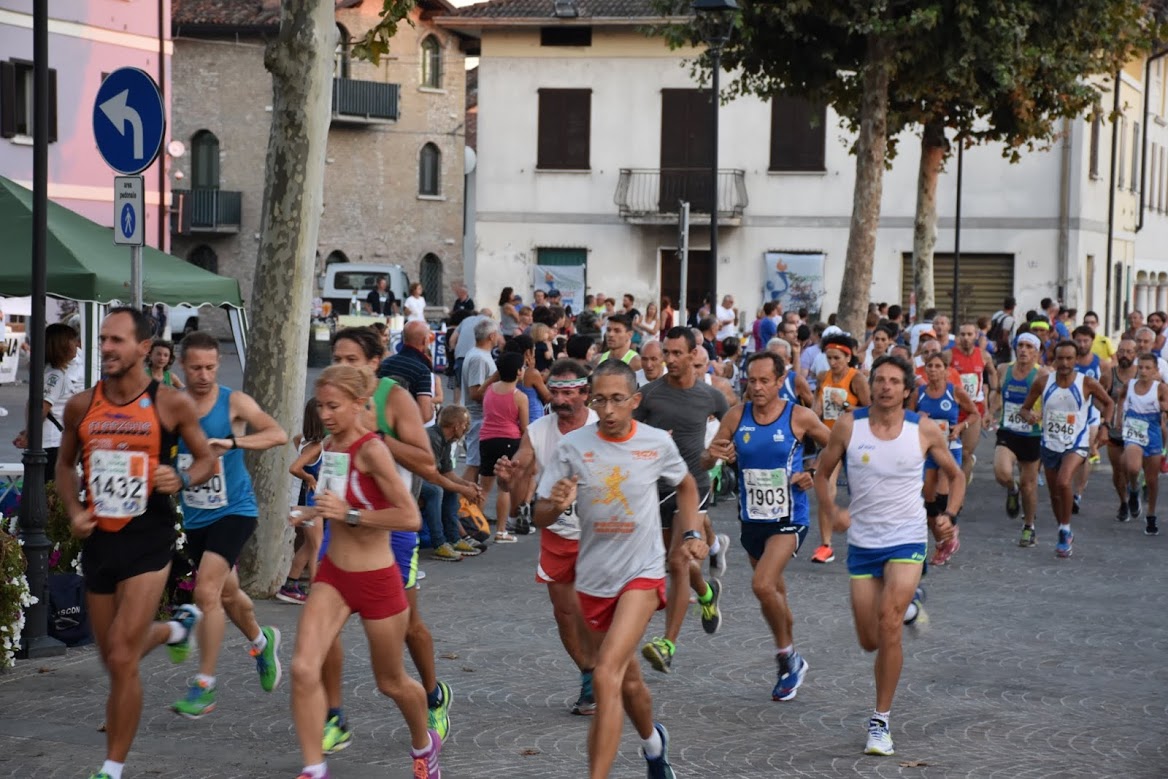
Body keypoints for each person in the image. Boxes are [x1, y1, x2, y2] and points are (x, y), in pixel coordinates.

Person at [54, 307, 217, 779]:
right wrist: (74, 511)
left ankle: (111, 768)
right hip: (100, 540)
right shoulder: (81, 405)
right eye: (103, 339)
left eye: (117, 340)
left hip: (149, 538)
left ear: (144, 348)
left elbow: (206, 460)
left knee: (124, 655)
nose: (106, 347)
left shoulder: (171, 404)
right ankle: (173, 630)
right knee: (112, 660)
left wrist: (181, 477)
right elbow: (64, 465)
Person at [535, 359, 706, 779]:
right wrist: (555, 504)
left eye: (617, 399)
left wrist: (689, 533)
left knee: (606, 675)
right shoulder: (573, 446)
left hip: (641, 574)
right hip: (593, 578)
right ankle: (653, 744)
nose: (608, 410)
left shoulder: (655, 443)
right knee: (628, 683)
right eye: (600, 400)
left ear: (635, 400)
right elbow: (539, 514)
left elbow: (686, 484)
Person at [288, 364, 441, 779]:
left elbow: (409, 517)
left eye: (334, 406)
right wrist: (310, 511)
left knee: (391, 682)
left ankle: (424, 744)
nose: (325, 415)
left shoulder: (373, 450)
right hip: (334, 576)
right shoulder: (330, 446)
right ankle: (314, 768)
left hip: (377, 579)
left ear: (359, 404)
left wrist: (351, 515)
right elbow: (334, 502)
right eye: (321, 406)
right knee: (303, 668)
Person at [813, 354, 964, 757]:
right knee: (869, 640)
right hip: (863, 542)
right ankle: (911, 607)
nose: (885, 387)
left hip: (907, 539)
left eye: (894, 381)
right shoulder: (850, 425)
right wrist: (832, 511)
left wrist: (949, 515)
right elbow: (822, 473)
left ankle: (880, 722)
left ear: (907, 390)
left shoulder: (923, 429)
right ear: (871, 385)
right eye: (879, 379)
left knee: (889, 622)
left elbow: (956, 474)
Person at [321, 327, 452, 752]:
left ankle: (432, 695)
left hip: (390, 529)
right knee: (322, 627)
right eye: (337, 359)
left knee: (409, 626)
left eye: (352, 360)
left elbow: (426, 460)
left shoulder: (393, 398)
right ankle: (334, 716)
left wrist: (376, 437)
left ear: (374, 363)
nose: (343, 367)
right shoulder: (332, 398)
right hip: (341, 528)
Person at [169, 331, 288, 718]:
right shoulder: (173, 405)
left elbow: (277, 434)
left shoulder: (233, 402)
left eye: (210, 367)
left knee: (206, 592)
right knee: (228, 594)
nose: (204, 375)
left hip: (235, 510)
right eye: (195, 368)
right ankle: (261, 641)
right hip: (196, 516)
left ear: (219, 364)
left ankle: (204, 686)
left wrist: (233, 443)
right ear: (182, 366)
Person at [703, 352, 830, 701]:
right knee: (774, 594)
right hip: (752, 519)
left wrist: (813, 471)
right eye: (752, 381)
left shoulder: (798, 416)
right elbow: (706, 460)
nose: (757, 387)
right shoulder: (736, 415)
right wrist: (715, 454)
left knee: (761, 584)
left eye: (764, 381)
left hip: (789, 518)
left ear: (779, 381)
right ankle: (792, 652)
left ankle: (786, 658)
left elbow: (836, 445)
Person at [494, 359, 600, 715]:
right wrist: (508, 478)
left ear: (586, 393)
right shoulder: (539, 430)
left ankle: (607, 669)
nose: (560, 400)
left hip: (599, 535)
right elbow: (519, 471)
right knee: (565, 614)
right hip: (558, 533)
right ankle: (589, 674)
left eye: (568, 393)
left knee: (594, 610)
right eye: (554, 392)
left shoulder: (602, 425)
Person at [636, 327, 729, 674]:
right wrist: (651, 440)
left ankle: (667, 645)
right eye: (667, 353)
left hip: (693, 485)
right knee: (675, 562)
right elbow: (629, 437)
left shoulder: (711, 397)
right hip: (655, 488)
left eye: (677, 353)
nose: (670, 359)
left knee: (678, 561)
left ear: (693, 354)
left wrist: (722, 452)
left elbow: (732, 426)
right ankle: (706, 594)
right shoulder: (649, 395)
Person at [1019, 340, 1114, 558]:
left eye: (1069, 358)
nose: (1064, 363)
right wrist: (1029, 416)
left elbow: (1109, 403)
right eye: (1060, 358)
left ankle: (1064, 530)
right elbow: (1024, 409)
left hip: (1077, 443)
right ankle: (1063, 527)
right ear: (1054, 359)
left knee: (1064, 482)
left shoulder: (1087, 382)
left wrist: (1105, 427)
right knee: (1054, 494)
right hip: (1050, 443)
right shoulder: (1043, 382)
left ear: (1076, 360)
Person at [910, 353, 976, 565]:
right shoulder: (919, 393)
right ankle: (942, 543)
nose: (933, 370)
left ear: (946, 371)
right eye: (929, 366)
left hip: (950, 449)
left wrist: (960, 426)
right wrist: (917, 418)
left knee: (942, 495)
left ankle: (950, 529)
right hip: (928, 451)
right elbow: (906, 418)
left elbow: (974, 413)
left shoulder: (954, 391)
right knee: (929, 503)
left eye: (938, 366)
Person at [811, 333, 870, 563]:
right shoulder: (823, 377)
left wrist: (844, 404)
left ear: (847, 357)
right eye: (829, 358)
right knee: (826, 489)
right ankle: (825, 545)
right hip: (829, 439)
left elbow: (870, 410)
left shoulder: (857, 379)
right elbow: (816, 405)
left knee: (863, 492)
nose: (833, 362)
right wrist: (812, 419)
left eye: (837, 358)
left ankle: (867, 540)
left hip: (855, 440)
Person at [988, 333, 1048, 546]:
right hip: (1008, 430)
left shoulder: (1043, 374)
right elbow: (997, 393)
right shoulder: (1004, 369)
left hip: (1032, 434)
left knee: (1028, 486)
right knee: (1001, 472)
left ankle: (1029, 527)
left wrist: (1038, 415)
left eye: (1029, 346)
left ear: (1037, 352)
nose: (1023, 350)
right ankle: (1012, 489)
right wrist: (990, 411)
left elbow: (1052, 403)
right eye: (1020, 345)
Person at [13, 322, 80, 474]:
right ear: (62, 345)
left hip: (50, 441)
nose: (77, 344)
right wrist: (29, 435)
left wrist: (27, 431)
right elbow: (41, 408)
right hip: (52, 443)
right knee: (52, 486)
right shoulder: (55, 376)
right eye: (73, 340)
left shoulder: (50, 372)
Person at [279, 399, 327, 603]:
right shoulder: (315, 447)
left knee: (308, 545)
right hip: (308, 501)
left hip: (301, 499)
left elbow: (295, 441)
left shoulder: (302, 440)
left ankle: (290, 584)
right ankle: (315, 591)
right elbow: (294, 468)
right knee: (317, 546)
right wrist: (309, 478)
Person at [1115, 354, 1168, 537]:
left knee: (1152, 480)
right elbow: (1121, 397)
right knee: (1132, 467)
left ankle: (1151, 515)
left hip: (1152, 433)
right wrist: (1118, 417)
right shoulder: (1130, 385)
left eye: (1148, 368)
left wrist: (1162, 406)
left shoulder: (1160, 388)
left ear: (1155, 371)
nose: (1143, 371)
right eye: (1141, 367)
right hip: (1133, 431)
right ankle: (1134, 488)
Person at [423, 405, 484, 561]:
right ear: (456, 425)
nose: (466, 428)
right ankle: (439, 543)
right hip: (412, 478)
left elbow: (447, 473)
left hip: (425, 477)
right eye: (465, 424)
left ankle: (454, 539)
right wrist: (463, 489)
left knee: (450, 490)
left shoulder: (447, 440)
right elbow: (433, 477)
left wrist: (467, 485)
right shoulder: (433, 438)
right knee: (436, 491)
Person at [479, 352, 529, 542]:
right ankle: (500, 531)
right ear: (518, 372)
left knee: (484, 487)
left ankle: (475, 528)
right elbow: (524, 426)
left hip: (486, 439)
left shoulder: (490, 389)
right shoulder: (520, 397)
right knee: (504, 487)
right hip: (509, 440)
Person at [1071, 324, 1112, 512]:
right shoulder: (1066, 361)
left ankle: (1077, 494)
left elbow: (1104, 391)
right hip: (1068, 412)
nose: (1082, 344)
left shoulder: (1102, 364)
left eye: (1085, 341)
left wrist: (1104, 416)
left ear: (1092, 341)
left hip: (1090, 413)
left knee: (1083, 453)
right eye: (1078, 340)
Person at [950, 322, 997, 485]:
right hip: (954, 408)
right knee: (950, 451)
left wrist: (993, 393)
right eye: (962, 334)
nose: (966, 338)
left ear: (976, 336)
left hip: (975, 409)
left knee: (966, 453)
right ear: (958, 337)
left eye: (969, 334)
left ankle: (960, 490)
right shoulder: (949, 355)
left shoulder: (984, 355)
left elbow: (992, 374)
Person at [1105, 338, 1139, 523]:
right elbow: (1099, 398)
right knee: (1118, 469)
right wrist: (1106, 415)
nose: (1124, 355)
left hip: (1136, 431)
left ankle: (1133, 490)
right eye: (1121, 351)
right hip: (1115, 431)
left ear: (1136, 354)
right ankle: (1124, 502)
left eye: (1129, 352)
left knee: (1130, 468)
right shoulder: (1109, 374)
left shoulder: (1142, 374)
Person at [462, 318, 500, 483]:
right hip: (478, 418)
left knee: (478, 464)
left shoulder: (480, 355)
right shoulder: (479, 358)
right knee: (474, 465)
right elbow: (475, 393)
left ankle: (467, 498)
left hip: (481, 417)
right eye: (497, 333)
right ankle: (462, 499)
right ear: (491, 336)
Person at [378, 320, 436, 424]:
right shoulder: (422, 370)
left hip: (381, 424)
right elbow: (424, 415)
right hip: (405, 428)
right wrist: (432, 410)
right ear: (425, 341)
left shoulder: (385, 363)